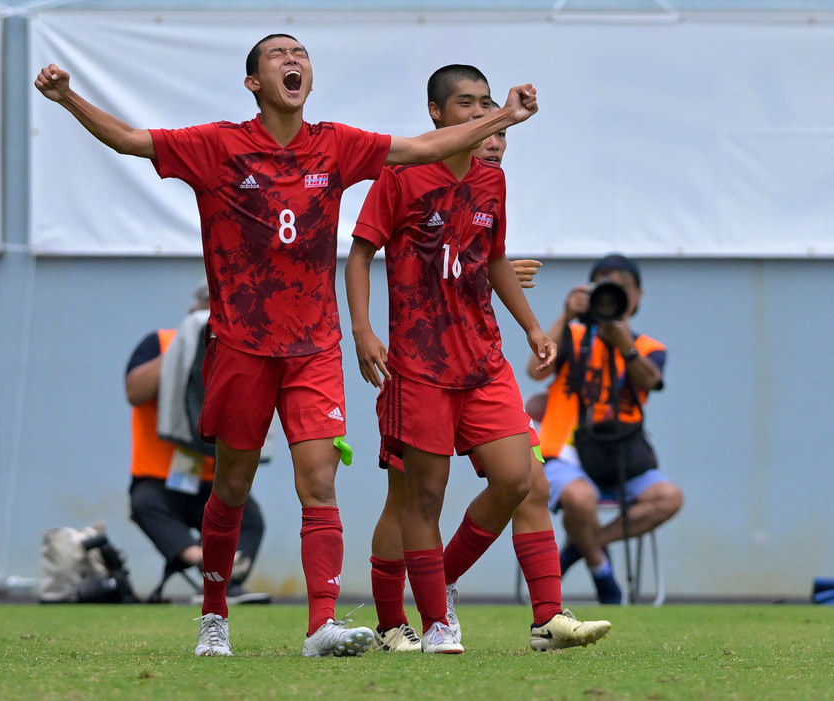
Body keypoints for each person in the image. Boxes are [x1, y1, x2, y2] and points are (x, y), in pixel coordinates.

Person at [35, 33, 540, 658]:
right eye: (277, 55)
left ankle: (321, 626)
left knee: (319, 482)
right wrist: (67, 100)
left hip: (314, 347)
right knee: (231, 487)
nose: (292, 62)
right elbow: (133, 142)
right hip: (242, 347)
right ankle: (214, 615)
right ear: (254, 82)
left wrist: (504, 117)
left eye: (300, 55)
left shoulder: (336, 144)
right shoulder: (218, 145)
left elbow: (426, 145)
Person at [357, 101, 610, 654]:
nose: (493, 137)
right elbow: (386, 255)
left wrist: (524, 315)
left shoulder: (489, 186)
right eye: (477, 118)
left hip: (482, 364)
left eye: (498, 127)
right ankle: (394, 619)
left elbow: (483, 258)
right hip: (420, 366)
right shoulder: (404, 176)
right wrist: (365, 329)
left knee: (527, 481)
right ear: (442, 117)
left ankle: (542, 615)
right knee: (409, 498)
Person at [526, 254, 683, 604]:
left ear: (637, 296)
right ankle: (601, 571)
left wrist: (622, 344)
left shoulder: (647, 348)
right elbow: (536, 371)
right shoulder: (574, 334)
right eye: (603, 289)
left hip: (620, 452)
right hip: (566, 449)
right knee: (581, 498)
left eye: (620, 290)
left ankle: (583, 546)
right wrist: (565, 316)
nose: (611, 298)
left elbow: (652, 381)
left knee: (670, 497)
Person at [125, 284, 269, 606]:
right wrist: (181, 351)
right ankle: (202, 559)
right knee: (144, 504)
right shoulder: (159, 342)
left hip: (208, 478)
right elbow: (134, 392)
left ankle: (227, 583)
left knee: (251, 517)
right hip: (159, 477)